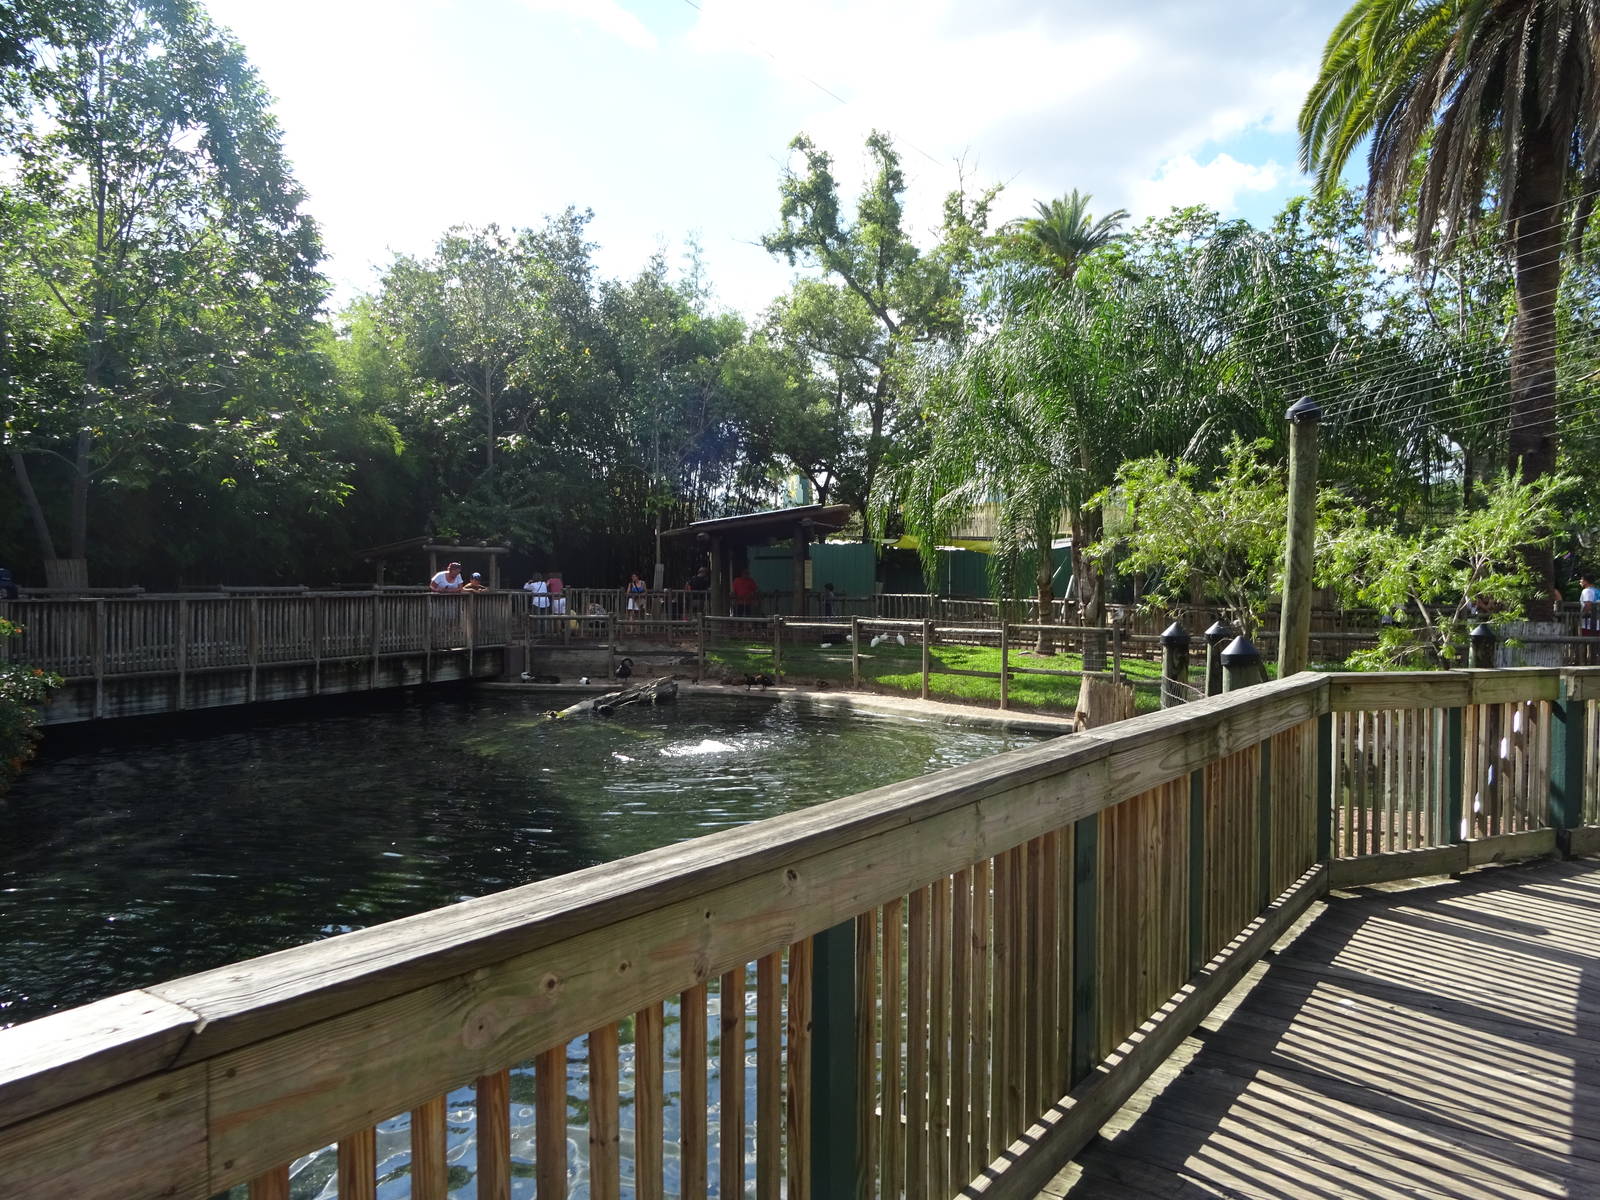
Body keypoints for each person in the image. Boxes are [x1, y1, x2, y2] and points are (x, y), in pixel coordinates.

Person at [1581, 573, 1599, 663]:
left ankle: (1586, 662)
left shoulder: (1587, 591)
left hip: (1589, 623)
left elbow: (1588, 604)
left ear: (1585, 581)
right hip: (1598, 622)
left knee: (1585, 642)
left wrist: (1582, 615)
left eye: (1581, 579)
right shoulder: (1597, 591)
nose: (1580, 581)